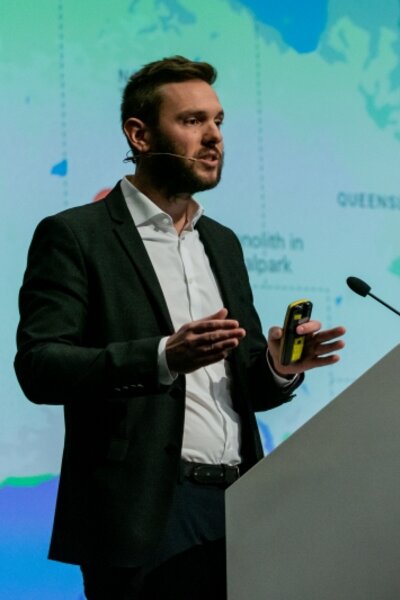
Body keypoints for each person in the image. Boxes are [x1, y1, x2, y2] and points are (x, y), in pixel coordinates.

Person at [15, 56, 345, 599]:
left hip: (239, 505)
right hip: (143, 515)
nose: (214, 137)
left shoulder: (223, 242)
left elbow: (247, 391)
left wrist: (277, 368)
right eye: (193, 121)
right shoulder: (76, 236)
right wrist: (163, 357)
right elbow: (40, 367)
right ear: (139, 135)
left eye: (218, 121)